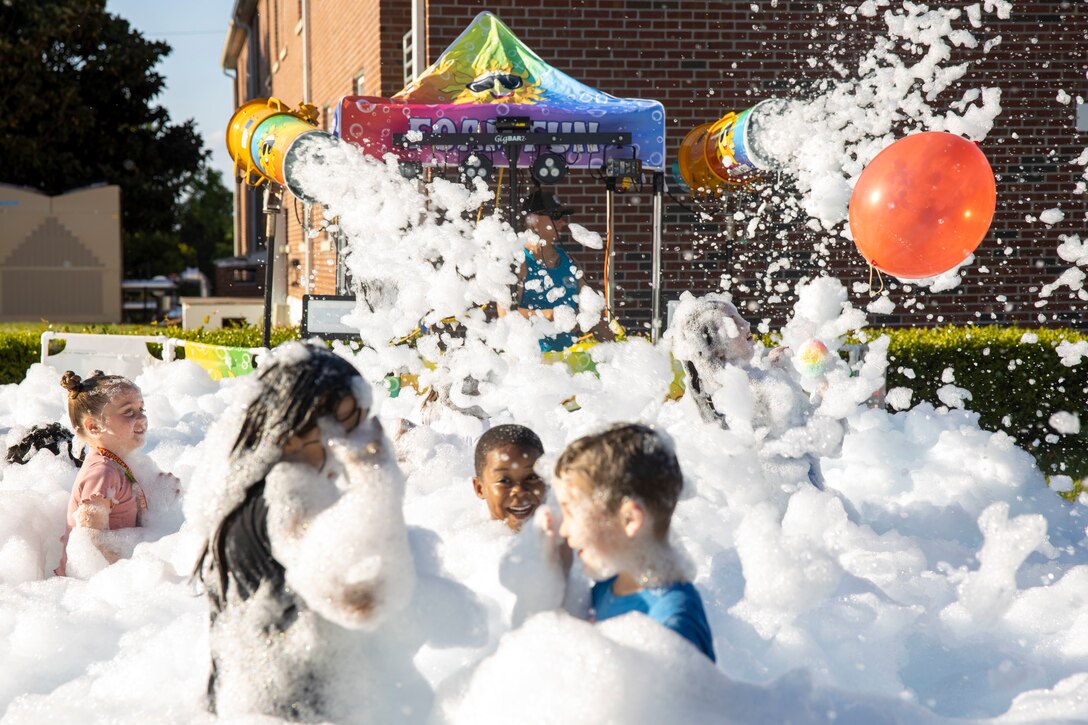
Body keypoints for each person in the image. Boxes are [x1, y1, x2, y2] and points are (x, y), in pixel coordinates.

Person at [194, 344, 415, 722]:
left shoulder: (248, 490)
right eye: (344, 428)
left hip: (249, 697)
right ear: (290, 431)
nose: (355, 441)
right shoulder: (284, 498)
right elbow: (358, 604)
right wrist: (376, 478)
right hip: (287, 707)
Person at [552, 423, 716, 662]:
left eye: (571, 512)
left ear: (630, 519)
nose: (563, 529)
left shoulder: (672, 624)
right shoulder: (609, 585)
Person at [54, 371, 151, 577]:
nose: (141, 417)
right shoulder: (102, 473)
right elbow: (92, 542)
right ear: (94, 426)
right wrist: (134, 574)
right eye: (129, 412)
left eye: (141, 408)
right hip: (90, 584)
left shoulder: (118, 463)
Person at [506, 188, 592, 352]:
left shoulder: (569, 261)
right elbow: (505, 315)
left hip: (569, 360)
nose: (562, 222)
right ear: (533, 220)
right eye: (555, 216)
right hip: (531, 362)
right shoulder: (518, 263)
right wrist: (547, 315)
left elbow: (591, 309)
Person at [472, 424, 547, 531]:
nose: (519, 490)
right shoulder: (470, 544)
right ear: (479, 488)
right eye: (504, 481)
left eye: (531, 477)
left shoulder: (572, 539)